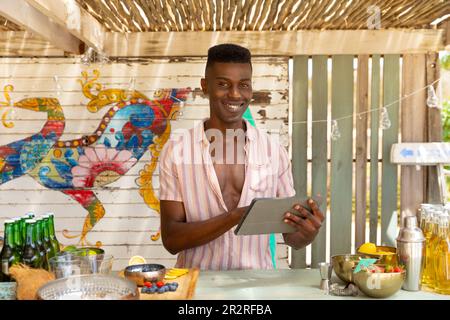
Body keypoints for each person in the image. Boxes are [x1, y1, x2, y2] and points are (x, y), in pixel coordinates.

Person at [159, 43, 324, 270]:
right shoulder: (176, 151)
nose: (235, 94)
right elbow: (171, 239)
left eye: (243, 85)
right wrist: (237, 216)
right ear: (205, 87)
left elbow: (292, 238)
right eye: (223, 84)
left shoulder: (274, 152)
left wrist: (307, 233)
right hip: (198, 287)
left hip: (257, 290)